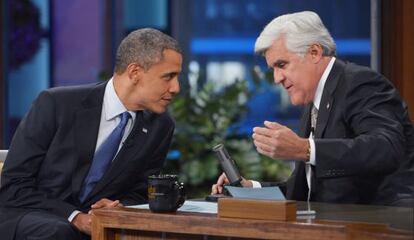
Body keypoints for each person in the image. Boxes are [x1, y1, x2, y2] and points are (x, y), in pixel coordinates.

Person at [212, 11, 414, 206]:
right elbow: (305, 194)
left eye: (282, 64)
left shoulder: (360, 82)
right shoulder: (314, 102)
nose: (276, 78)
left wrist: (304, 149)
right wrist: (250, 188)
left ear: (314, 52)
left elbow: (387, 148)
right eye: (273, 69)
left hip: (378, 223)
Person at [0, 28, 182, 240]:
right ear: (134, 73)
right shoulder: (56, 104)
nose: (176, 87)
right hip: (31, 214)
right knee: (60, 232)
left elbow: (140, 193)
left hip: (96, 222)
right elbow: (13, 185)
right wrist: (75, 216)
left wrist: (119, 206)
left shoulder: (160, 126)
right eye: (168, 77)